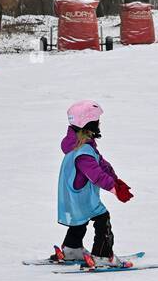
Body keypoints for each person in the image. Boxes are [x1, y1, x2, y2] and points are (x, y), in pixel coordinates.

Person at [54, 100, 134, 269]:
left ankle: (72, 249)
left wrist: (116, 180)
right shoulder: (83, 153)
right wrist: (114, 189)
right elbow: (96, 175)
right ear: (89, 124)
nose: (100, 124)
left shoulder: (79, 146)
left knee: (79, 221)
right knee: (102, 219)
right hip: (82, 196)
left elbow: (102, 165)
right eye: (97, 121)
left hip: (72, 196)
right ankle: (103, 255)